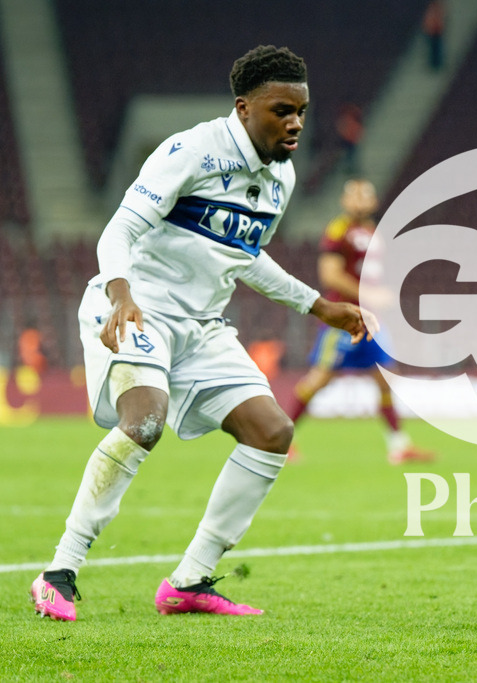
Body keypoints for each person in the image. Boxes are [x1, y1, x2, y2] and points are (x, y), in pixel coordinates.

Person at [31, 45, 376, 622]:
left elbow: (245, 257)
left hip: (202, 326)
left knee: (271, 430)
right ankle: (59, 571)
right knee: (144, 420)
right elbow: (117, 231)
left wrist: (319, 306)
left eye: (301, 111)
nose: (294, 123)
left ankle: (189, 582)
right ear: (244, 108)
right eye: (281, 110)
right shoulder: (191, 151)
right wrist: (121, 294)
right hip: (137, 310)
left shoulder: (280, 178)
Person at [286, 178, 435, 465]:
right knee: (319, 379)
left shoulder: (373, 232)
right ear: (344, 201)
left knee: (384, 379)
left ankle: (399, 446)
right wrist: (370, 295)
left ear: (374, 201)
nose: (358, 200)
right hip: (344, 319)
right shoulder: (338, 231)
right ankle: (282, 439)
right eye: (352, 195)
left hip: (372, 321)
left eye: (364, 194)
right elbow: (330, 275)